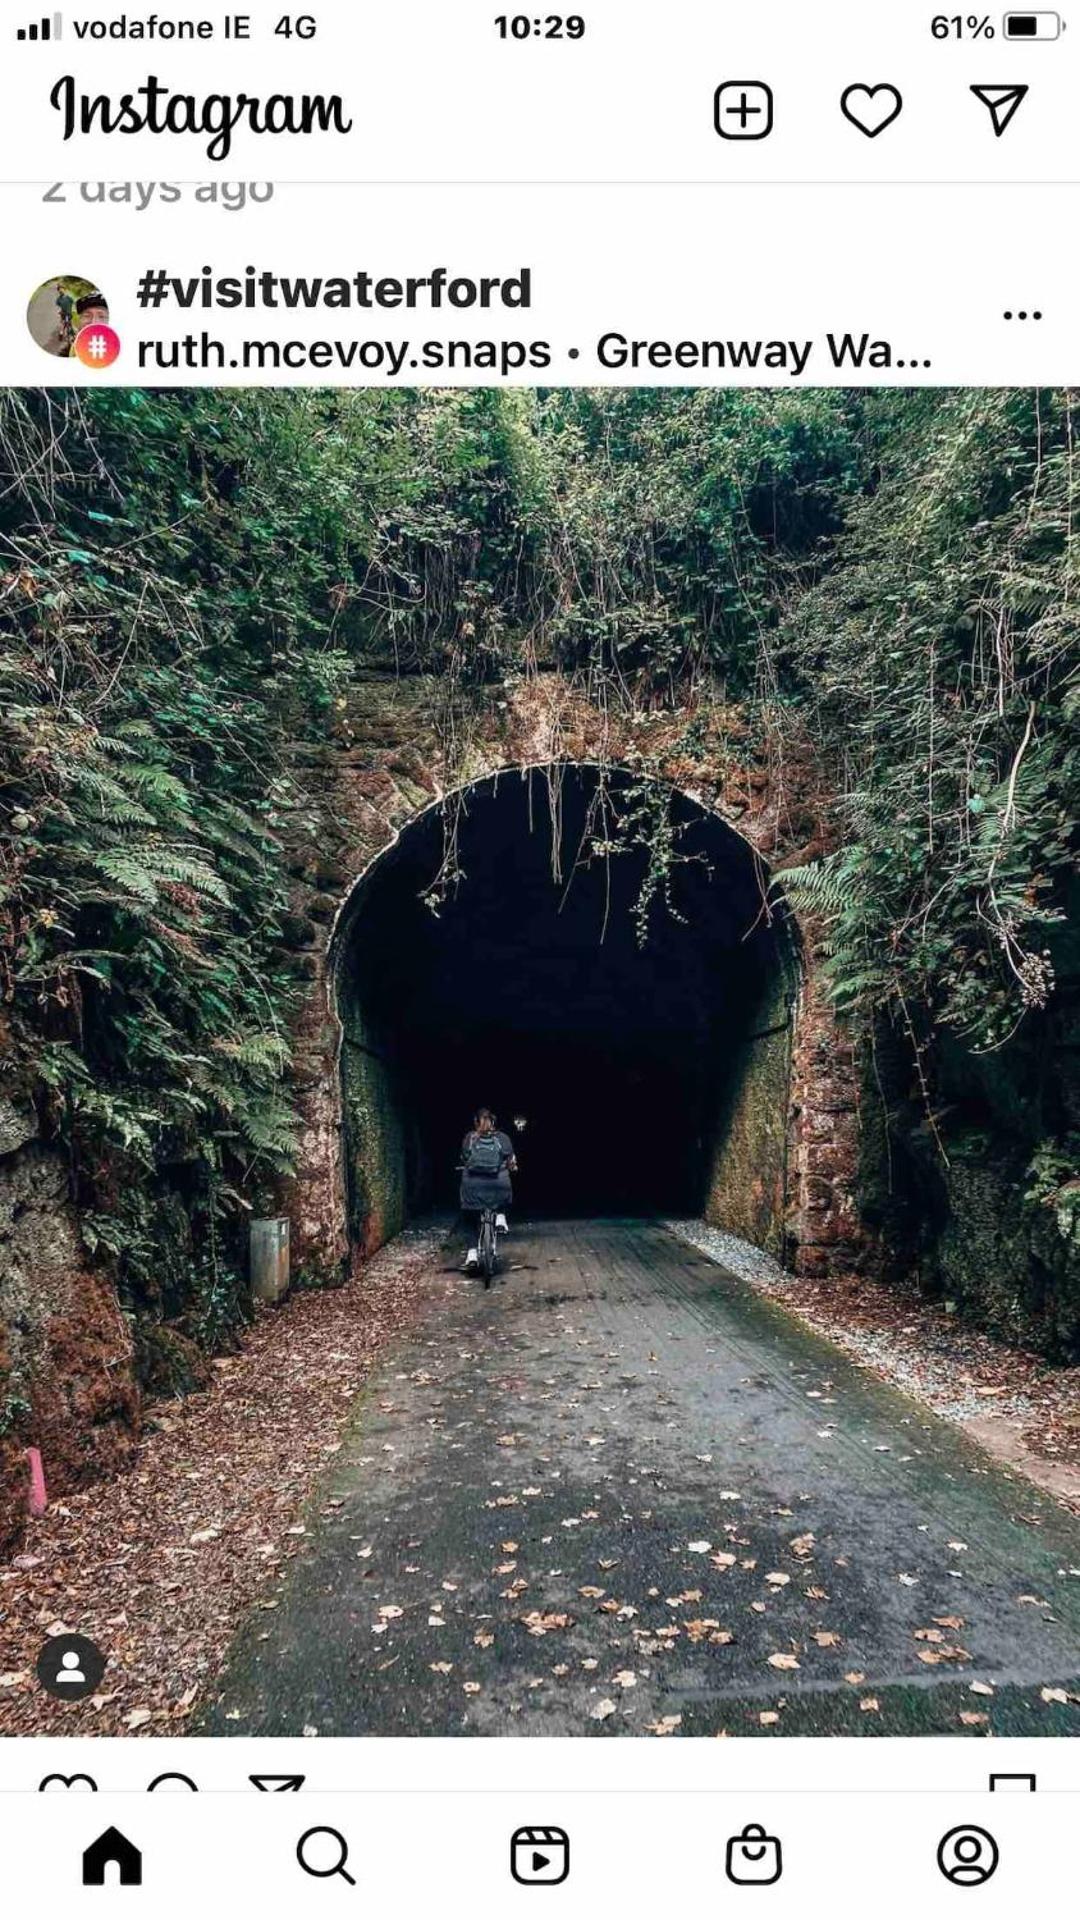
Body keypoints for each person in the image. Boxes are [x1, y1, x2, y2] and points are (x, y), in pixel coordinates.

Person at [458, 1107, 517, 1273]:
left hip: (473, 1186)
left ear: (476, 1122)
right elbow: (511, 1161)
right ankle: (500, 1217)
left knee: (469, 1215)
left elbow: (464, 1158)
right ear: (493, 1121)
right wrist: (510, 1166)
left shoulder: (470, 1138)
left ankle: (471, 1254)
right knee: (504, 1192)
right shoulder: (503, 1138)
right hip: (498, 1184)